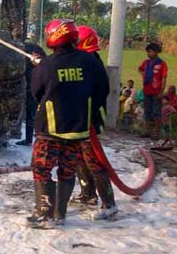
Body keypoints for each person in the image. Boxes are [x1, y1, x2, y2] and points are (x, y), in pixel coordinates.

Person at [27, 19, 109, 228]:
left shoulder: (47, 65)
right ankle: (59, 215)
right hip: (77, 130)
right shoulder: (90, 62)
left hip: (51, 130)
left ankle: (44, 215)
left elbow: (36, 91)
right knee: (67, 170)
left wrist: (41, 65)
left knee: (41, 168)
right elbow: (102, 91)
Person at [71, 25, 118, 220]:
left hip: (88, 120)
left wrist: (86, 110)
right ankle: (87, 194)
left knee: (94, 161)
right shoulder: (86, 60)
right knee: (79, 158)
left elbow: (100, 93)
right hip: (79, 120)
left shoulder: (91, 63)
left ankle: (109, 204)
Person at [16, 32, 46, 146]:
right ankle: (31, 138)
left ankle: (37, 139)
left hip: (35, 87)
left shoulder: (30, 49)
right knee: (33, 113)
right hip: (34, 86)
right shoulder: (33, 48)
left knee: (33, 113)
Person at [138, 43, 168, 140]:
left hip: (156, 92)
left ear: (156, 52)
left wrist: (161, 92)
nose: (148, 54)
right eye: (147, 52)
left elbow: (164, 78)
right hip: (147, 90)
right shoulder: (146, 63)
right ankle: (147, 130)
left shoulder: (162, 64)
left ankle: (156, 132)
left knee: (156, 112)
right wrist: (144, 76)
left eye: (150, 52)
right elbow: (140, 69)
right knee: (148, 111)